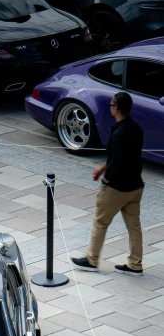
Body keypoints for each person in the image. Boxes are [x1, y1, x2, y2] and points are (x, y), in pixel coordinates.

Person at [71, 91, 145, 276]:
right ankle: (135, 265)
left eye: (112, 105)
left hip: (116, 188)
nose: (110, 107)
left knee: (100, 222)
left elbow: (117, 162)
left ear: (117, 108)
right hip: (135, 186)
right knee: (134, 227)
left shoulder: (118, 133)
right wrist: (103, 167)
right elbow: (128, 157)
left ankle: (91, 259)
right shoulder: (136, 128)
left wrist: (106, 180)